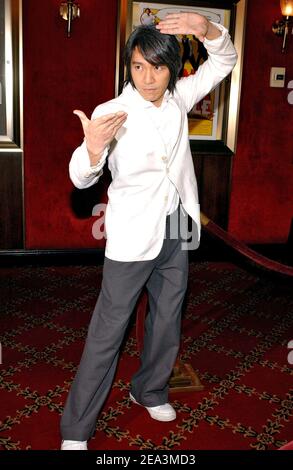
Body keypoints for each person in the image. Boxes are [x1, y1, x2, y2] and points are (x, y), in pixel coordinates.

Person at [60, 12, 237, 450]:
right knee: (108, 333)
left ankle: (150, 389)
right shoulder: (112, 111)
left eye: (157, 67)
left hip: (177, 222)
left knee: (167, 319)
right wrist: (94, 149)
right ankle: (76, 429)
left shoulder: (179, 96)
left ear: (171, 68)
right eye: (139, 66)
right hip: (131, 234)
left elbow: (224, 61)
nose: (149, 77)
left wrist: (207, 29)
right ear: (129, 66)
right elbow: (80, 178)